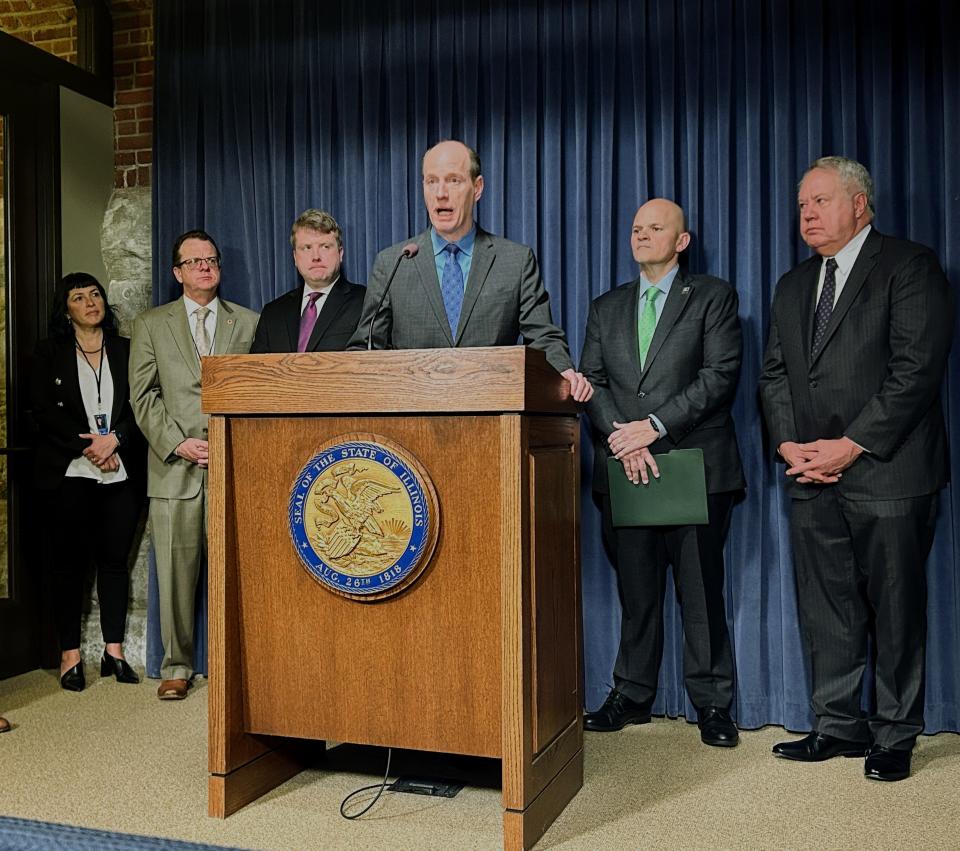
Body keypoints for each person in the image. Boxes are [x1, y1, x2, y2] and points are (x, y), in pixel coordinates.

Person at [759, 156, 954, 781]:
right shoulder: (792, 285)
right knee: (826, 606)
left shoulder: (909, 265)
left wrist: (851, 445)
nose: (807, 214)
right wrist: (790, 445)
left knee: (896, 607)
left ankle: (896, 733)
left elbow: (916, 371)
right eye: (801, 205)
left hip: (888, 472)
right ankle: (837, 725)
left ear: (860, 204)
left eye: (820, 201)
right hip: (809, 474)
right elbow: (775, 376)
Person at [579, 199, 745, 747]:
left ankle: (713, 703)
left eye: (655, 228)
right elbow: (593, 383)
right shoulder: (606, 307)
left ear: (682, 241)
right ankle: (631, 693)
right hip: (627, 468)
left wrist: (652, 426)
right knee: (637, 591)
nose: (642, 235)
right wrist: (623, 440)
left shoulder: (714, 297)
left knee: (701, 593)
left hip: (693, 467)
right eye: (636, 228)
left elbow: (719, 375)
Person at [348, 140, 592, 402]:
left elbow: (543, 336)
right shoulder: (393, 262)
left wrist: (563, 372)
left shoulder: (515, 261)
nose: (441, 193)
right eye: (431, 181)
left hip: (494, 416)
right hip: (413, 416)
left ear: (477, 188)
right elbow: (366, 345)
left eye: (453, 180)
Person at [129, 230, 259, 700]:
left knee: (237, 575)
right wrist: (177, 443)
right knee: (176, 574)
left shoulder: (248, 323)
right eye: (195, 261)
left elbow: (256, 393)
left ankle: (234, 670)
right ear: (177, 273)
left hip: (233, 464)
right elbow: (143, 397)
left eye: (212, 260)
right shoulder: (150, 324)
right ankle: (176, 666)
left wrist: (228, 441)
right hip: (174, 470)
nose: (205, 267)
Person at [30, 273, 146, 692]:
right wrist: (90, 446)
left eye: (95, 294)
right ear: (66, 309)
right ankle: (70, 654)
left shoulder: (126, 349)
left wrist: (115, 440)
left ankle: (113, 652)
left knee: (115, 560)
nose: (90, 302)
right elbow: (43, 410)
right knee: (69, 565)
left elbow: (143, 402)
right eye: (79, 298)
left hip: (121, 470)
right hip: (70, 471)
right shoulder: (49, 353)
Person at [251, 209, 365, 353]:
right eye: (307, 248)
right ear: (295, 257)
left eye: (325, 247)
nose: (316, 256)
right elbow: (256, 371)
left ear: (340, 253)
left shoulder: (365, 303)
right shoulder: (272, 313)